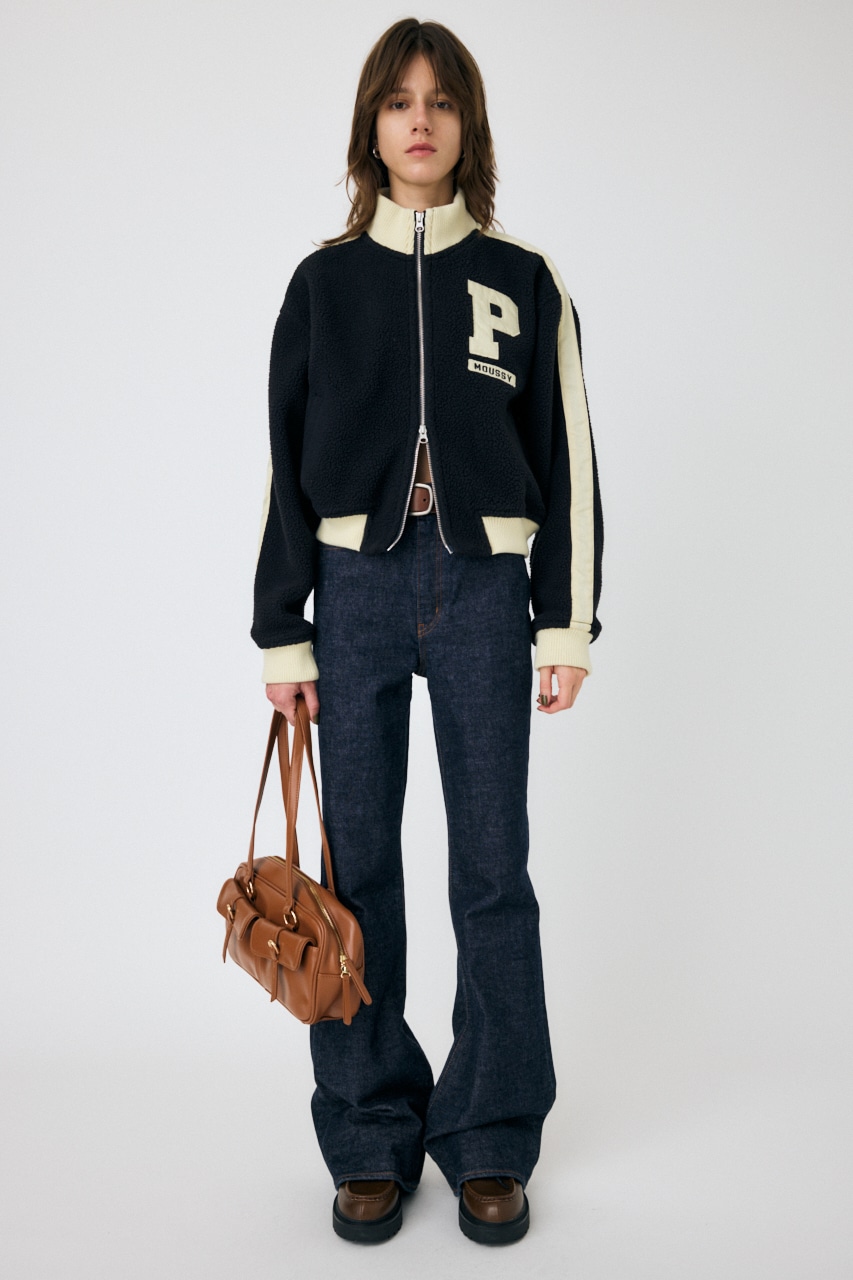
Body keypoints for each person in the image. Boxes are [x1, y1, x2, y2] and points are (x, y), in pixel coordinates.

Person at [252, 17, 603, 1246]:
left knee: (491, 868)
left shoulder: (523, 278)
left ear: (467, 126)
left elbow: (569, 453)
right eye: (398, 101)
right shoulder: (323, 284)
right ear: (371, 125)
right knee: (358, 877)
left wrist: (564, 623)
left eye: (441, 101)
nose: (419, 120)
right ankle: (369, 1133)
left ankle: (491, 1131)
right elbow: (283, 466)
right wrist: (282, 633)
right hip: (352, 593)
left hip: (483, 596)